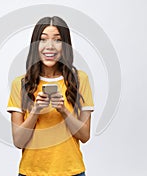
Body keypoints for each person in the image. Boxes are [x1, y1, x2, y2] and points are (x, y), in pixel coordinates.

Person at [7, 16, 94, 176]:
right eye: (43, 40)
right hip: (31, 172)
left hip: (71, 172)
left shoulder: (80, 80)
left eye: (57, 40)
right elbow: (18, 141)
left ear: (65, 45)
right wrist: (35, 112)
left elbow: (85, 135)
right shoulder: (20, 83)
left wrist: (63, 110)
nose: (50, 46)